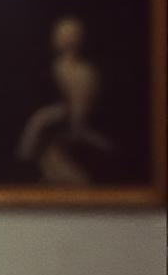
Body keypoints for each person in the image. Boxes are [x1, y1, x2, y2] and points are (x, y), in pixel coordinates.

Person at [16, 15, 115, 183]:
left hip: (72, 138)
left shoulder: (87, 72)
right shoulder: (48, 69)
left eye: (72, 33)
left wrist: (70, 124)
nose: (66, 38)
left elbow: (80, 118)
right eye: (62, 33)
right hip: (48, 139)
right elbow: (37, 121)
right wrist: (41, 121)